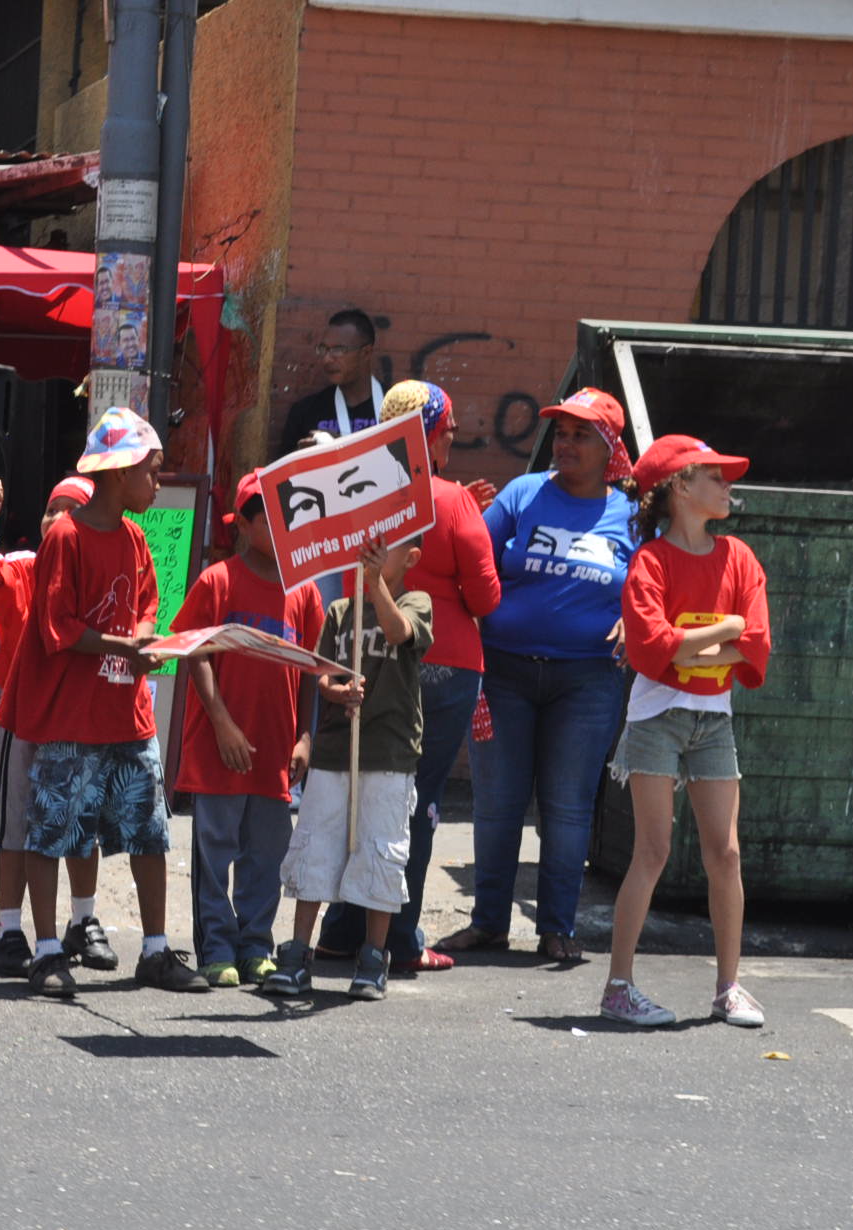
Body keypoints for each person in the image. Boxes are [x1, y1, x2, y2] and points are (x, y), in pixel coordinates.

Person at [6, 407, 207, 998]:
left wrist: (146, 634)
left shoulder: (136, 535)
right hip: (70, 718)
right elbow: (56, 628)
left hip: (129, 715)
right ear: (120, 472)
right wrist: (126, 642)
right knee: (51, 831)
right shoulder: (65, 535)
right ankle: (46, 952)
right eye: (152, 471)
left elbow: (147, 601)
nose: (157, 483)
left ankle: (154, 949)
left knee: (150, 831)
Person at [434, 388, 637, 964]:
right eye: (562, 432)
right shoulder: (524, 494)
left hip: (589, 681)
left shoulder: (629, 514)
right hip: (503, 671)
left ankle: (556, 929)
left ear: (609, 448)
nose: (566, 442)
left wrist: (632, 616)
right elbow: (468, 555)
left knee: (568, 806)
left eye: (582, 434)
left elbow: (651, 585)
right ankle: (489, 923)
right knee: (497, 801)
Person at [314, 381, 499, 969]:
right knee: (414, 801)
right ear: (429, 434)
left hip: (363, 649)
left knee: (363, 786)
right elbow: (485, 594)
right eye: (447, 432)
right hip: (439, 659)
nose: (452, 441)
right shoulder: (451, 499)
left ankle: (341, 929)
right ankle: (398, 936)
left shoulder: (359, 490)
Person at [601, 435, 772, 1029]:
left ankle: (729, 988)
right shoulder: (649, 562)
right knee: (652, 850)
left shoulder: (741, 559)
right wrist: (715, 635)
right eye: (715, 476)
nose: (728, 486)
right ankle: (618, 988)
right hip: (656, 720)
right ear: (679, 485)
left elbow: (754, 643)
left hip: (713, 721)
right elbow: (647, 647)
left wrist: (687, 646)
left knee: (725, 852)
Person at [263, 537, 432, 1000]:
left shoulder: (415, 602)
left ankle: (374, 958)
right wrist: (335, 692)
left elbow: (399, 633)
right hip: (337, 751)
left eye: (386, 549)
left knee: (381, 851)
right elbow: (321, 672)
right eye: (366, 549)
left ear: (411, 557)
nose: (371, 556)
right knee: (316, 844)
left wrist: (375, 583)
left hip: (389, 751)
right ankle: (298, 953)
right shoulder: (340, 611)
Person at [176, 471, 325, 987]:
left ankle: (256, 944)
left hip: (276, 752)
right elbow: (194, 652)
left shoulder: (305, 592)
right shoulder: (218, 580)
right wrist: (222, 725)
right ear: (243, 523)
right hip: (221, 748)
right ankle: (216, 948)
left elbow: (312, 669)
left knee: (268, 855)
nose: (284, 527)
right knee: (215, 853)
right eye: (271, 518)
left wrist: (305, 737)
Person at [0, 474, 112, 976]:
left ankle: (84, 921)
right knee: (16, 830)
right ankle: (10, 931)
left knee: (79, 828)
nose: (57, 518)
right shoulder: (27, 565)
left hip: (75, 720)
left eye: (70, 509)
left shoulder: (96, 565)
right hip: (23, 717)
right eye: (52, 508)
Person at [276, 308, 384, 455]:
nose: (327, 359)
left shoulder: (394, 409)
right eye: (324, 349)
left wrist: (338, 447)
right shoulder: (305, 411)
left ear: (366, 353)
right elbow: (281, 474)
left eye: (338, 350)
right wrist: (301, 456)